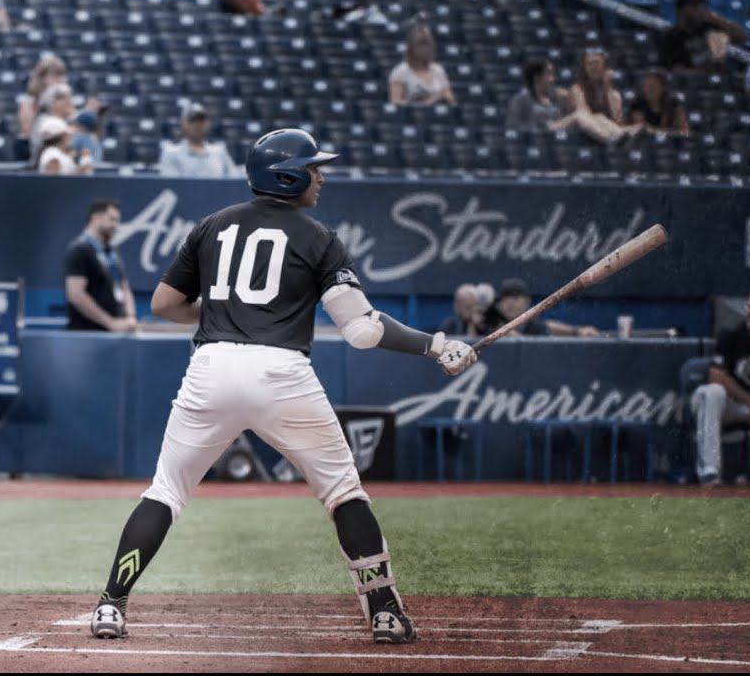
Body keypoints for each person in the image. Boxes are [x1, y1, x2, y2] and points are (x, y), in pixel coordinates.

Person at [88, 129, 477, 644]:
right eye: (315, 167)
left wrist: (222, 313)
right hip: (281, 372)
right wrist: (434, 346)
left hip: (211, 365)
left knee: (166, 491)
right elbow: (361, 330)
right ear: (289, 176)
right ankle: (383, 610)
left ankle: (110, 605)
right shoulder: (319, 237)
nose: (323, 175)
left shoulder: (212, 225)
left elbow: (162, 304)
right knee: (343, 492)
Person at [690, 289, 750, 486]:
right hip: (734, 406)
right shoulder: (732, 334)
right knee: (711, 392)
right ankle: (710, 471)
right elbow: (716, 375)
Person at [65, 200, 136, 332]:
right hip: (87, 336)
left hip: (113, 335)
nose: (116, 225)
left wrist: (130, 317)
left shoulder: (112, 251)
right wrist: (111, 323)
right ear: (96, 217)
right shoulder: (79, 250)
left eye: (117, 221)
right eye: (112, 219)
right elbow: (75, 294)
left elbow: (124, 286)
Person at [658, 0, 748, 75]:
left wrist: (717, 20)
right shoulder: (671, 36)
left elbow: (742, 38)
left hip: (719, 78)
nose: (699, 10)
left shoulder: (709, 27)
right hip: (692, 83)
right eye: (694, 7)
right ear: (681, 10)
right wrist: (704, 73)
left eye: (699, 6)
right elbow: (674, 69)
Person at [567, 49, 643, 145]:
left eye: (597, 63)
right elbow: (584, 114)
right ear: (585, 68)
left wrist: (607, 90)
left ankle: (619, 141)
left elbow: (617, 122)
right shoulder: (577, 89)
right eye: (589, 64)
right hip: (584, 132)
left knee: (640, 128)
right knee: (598, 116)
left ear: (605, 67)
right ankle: (614, 141)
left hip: (611, 130)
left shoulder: (615, 95)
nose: (593, 67)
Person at [480, 278, 599, 337]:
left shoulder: (533, 326)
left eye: (515, 298)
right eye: (505, 299)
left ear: (527, 302)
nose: (510, 303)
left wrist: (576, 331)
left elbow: (547, 327)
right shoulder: (489, 322)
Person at [157, 102, 239, 178]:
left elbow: (233, 183)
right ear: (184, 124)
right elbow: (171, 186)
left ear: (207, 124)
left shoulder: (220, 152)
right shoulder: (171, 153)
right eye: (193, 121)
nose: (197, 125)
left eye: (201, 121)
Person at [388, 24, 456, 107]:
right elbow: (395, 102)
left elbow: (450, 99)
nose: (425, 49)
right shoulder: (400, 71)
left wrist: (443, 97)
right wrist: (427, 103)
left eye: (427, 45)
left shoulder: (438, 69)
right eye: (420, 45)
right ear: (411, 48)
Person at [505, 57, 577, 133]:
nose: (553, 79)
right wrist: (542, 127)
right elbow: (513, 127)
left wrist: (570, 103)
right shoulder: (520, 100)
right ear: (537, 77)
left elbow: (572, 127)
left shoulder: (561, 97)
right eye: (549, 74)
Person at [627, 68, 690, 137]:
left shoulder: (673, 103)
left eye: (652, 86)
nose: (648, 90)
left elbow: (685, 131)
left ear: (663, 87)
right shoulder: (637, 103)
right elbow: (641, 129)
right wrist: (669, 132)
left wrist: (657, 131)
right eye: (645, 86)